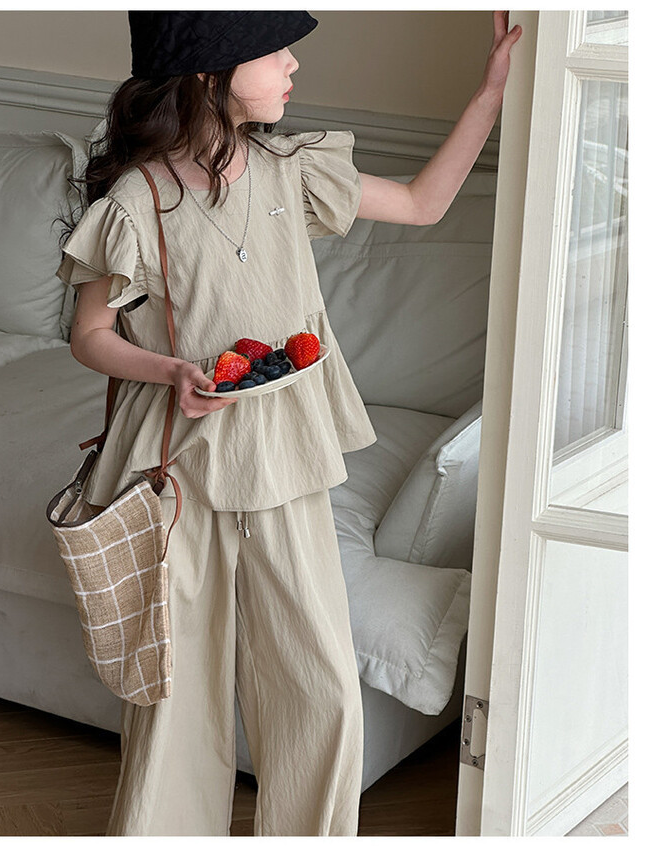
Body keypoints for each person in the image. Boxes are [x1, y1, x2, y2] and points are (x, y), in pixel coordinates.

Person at [55, 10, 521, 836]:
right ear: (210, 73)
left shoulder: (288, 170)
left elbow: (423, 203)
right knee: (176, 692)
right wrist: (172, 371)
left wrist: (488, 95)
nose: (292, 65)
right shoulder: (138, 199)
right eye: (273, 51)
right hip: (177, 466)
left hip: (283, 452)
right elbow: (90, 335)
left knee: (319, 683)